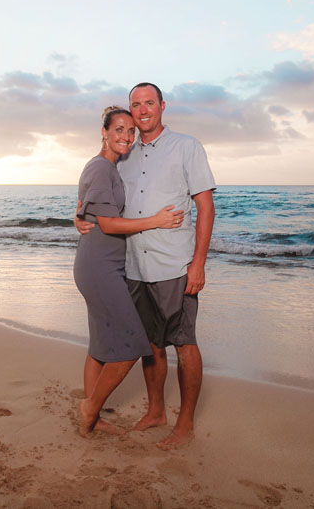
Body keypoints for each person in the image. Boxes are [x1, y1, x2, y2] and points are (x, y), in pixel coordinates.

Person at [76, 83, 216, 448]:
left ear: (162, 106)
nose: (142, 110)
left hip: (173, 263)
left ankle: (184, 424)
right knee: (151, 345)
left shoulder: (187, 147)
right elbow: (97, 190)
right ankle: (156, 411)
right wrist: (79, 215)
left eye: (148, 103)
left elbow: (205, 207)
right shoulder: (124, 155)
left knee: (183, 343)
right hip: (132, 266)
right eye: (135, 105)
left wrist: (198, 264)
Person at [74, 106, 185, 437]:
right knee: (131, 345)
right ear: (104, 133)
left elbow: (85, 209)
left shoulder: (107, 167)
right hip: (100, 267)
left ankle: (91, 420)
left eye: (131, 131)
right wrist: (158, 220)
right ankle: (89, 409)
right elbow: (107, 224)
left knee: (99, 347)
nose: (126, 136)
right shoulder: (101, 168)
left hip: (101, 264)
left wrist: (78, 218)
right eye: (119, 129)